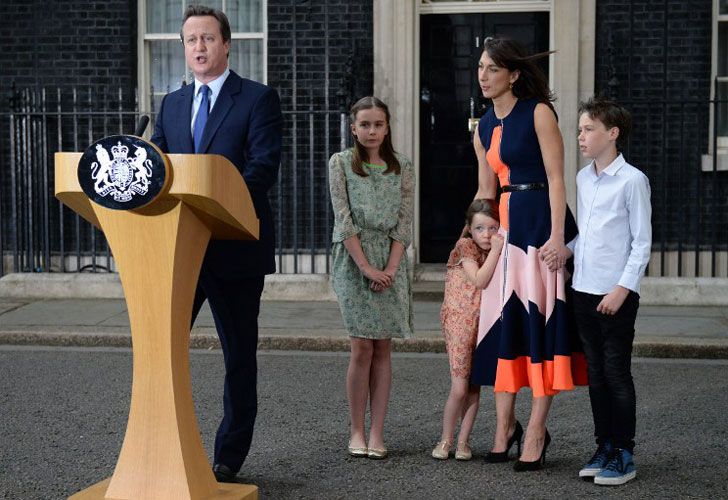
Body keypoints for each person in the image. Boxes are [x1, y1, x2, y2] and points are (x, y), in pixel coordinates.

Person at [150, 4, 282, 484]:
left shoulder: (258, 99)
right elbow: (156, 173)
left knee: (238, 357)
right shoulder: (170, 104)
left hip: (234, 249)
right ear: (184, 48)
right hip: (178, 250)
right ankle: (164, 442)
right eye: (191, 40)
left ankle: (229, 456)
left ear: (226, 44)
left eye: (208, 38)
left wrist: (213, 206)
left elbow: (262, 169)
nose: (199, 47)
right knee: (161, 353)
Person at [468, 37, 586, 471]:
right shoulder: (482, 126)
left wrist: (557, 238)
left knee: (538, 326)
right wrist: (471, 238)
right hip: (503, 232)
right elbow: (485, 191)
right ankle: (505, 428)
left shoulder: (538, 112)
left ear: (513, 74)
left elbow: (557, 179)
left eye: (492, 68)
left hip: (539, 226)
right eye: (480, 67)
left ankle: (535, 430)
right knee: (504, 327)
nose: (483, 75)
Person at [565, 96, 651, 486]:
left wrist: (621, 289)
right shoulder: (584, 178)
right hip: (582, 290)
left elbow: (641, 243)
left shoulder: (633, 181)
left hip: (614, 294)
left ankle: (625, 454)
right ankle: (604, 447)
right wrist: (563, 252)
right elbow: (588, 234)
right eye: (580, 129)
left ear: (612, 133)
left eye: (588, 129)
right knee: (596, 374)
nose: (581, 137)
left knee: (616, 372)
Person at [328, 96, 415, 460]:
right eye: (364, 124)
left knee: (383, 346)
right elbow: (343, 218)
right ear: (353, 128)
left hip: (391, 260)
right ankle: (357, 430)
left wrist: (391, 269)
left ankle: (377, 432)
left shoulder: (402, 166)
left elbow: (404, 220)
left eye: (378, 124)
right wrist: (366, 268)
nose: (371, 131)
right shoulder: (341, 163)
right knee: (361, 345)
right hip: (354, 259)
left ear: (387, 126)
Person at [432, 199, 504, 461]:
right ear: (469, 229)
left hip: (482, 322)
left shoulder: (494, 248)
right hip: (460, 322)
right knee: (460, 387)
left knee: (475, 386)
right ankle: (445, 439)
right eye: (480, 228)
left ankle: (463, 442)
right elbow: (479, 280)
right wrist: (496, 251)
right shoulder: (465, 246)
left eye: (493, 228)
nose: (486, 235)